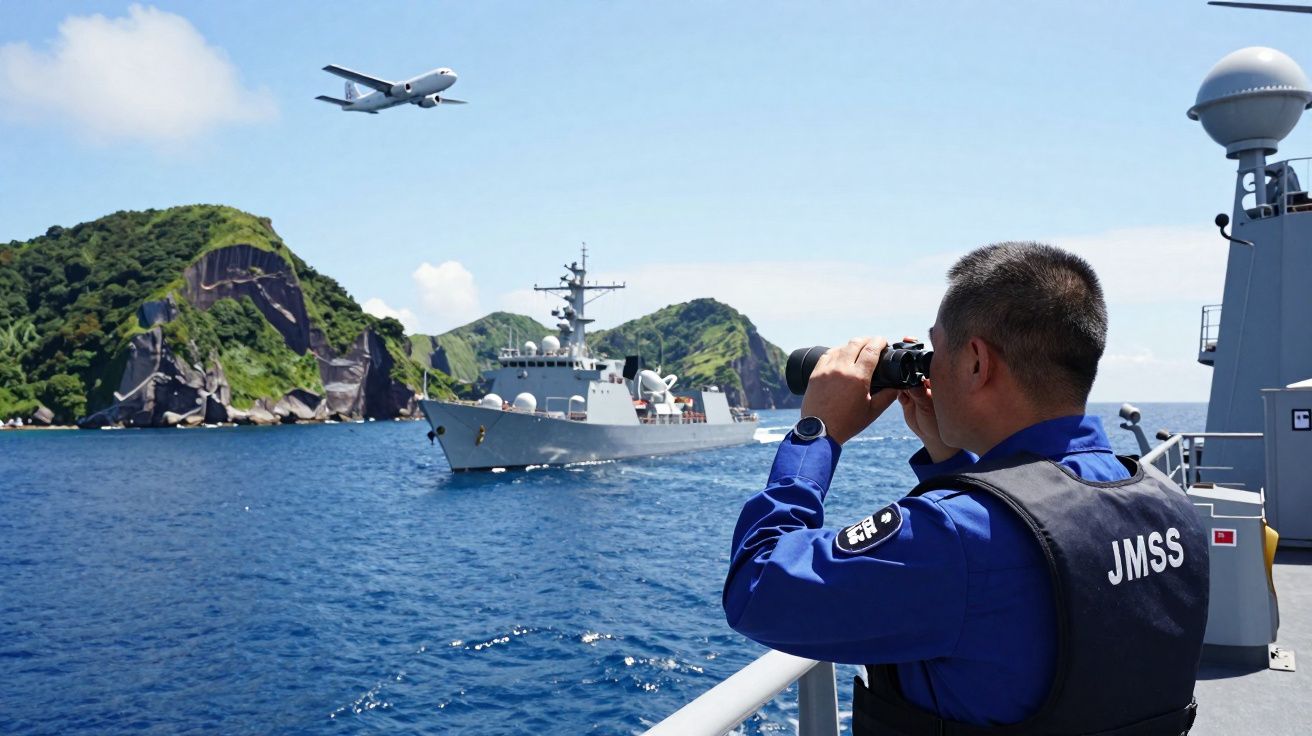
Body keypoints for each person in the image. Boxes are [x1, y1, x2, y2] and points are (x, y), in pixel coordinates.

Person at [723, 242, 1208, 735]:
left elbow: (757, 589)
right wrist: (948, 461)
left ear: (977, 362)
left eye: (937, 350)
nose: (928, 368)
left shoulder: (954, 537)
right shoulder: (1168, 503)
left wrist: (817, 433)